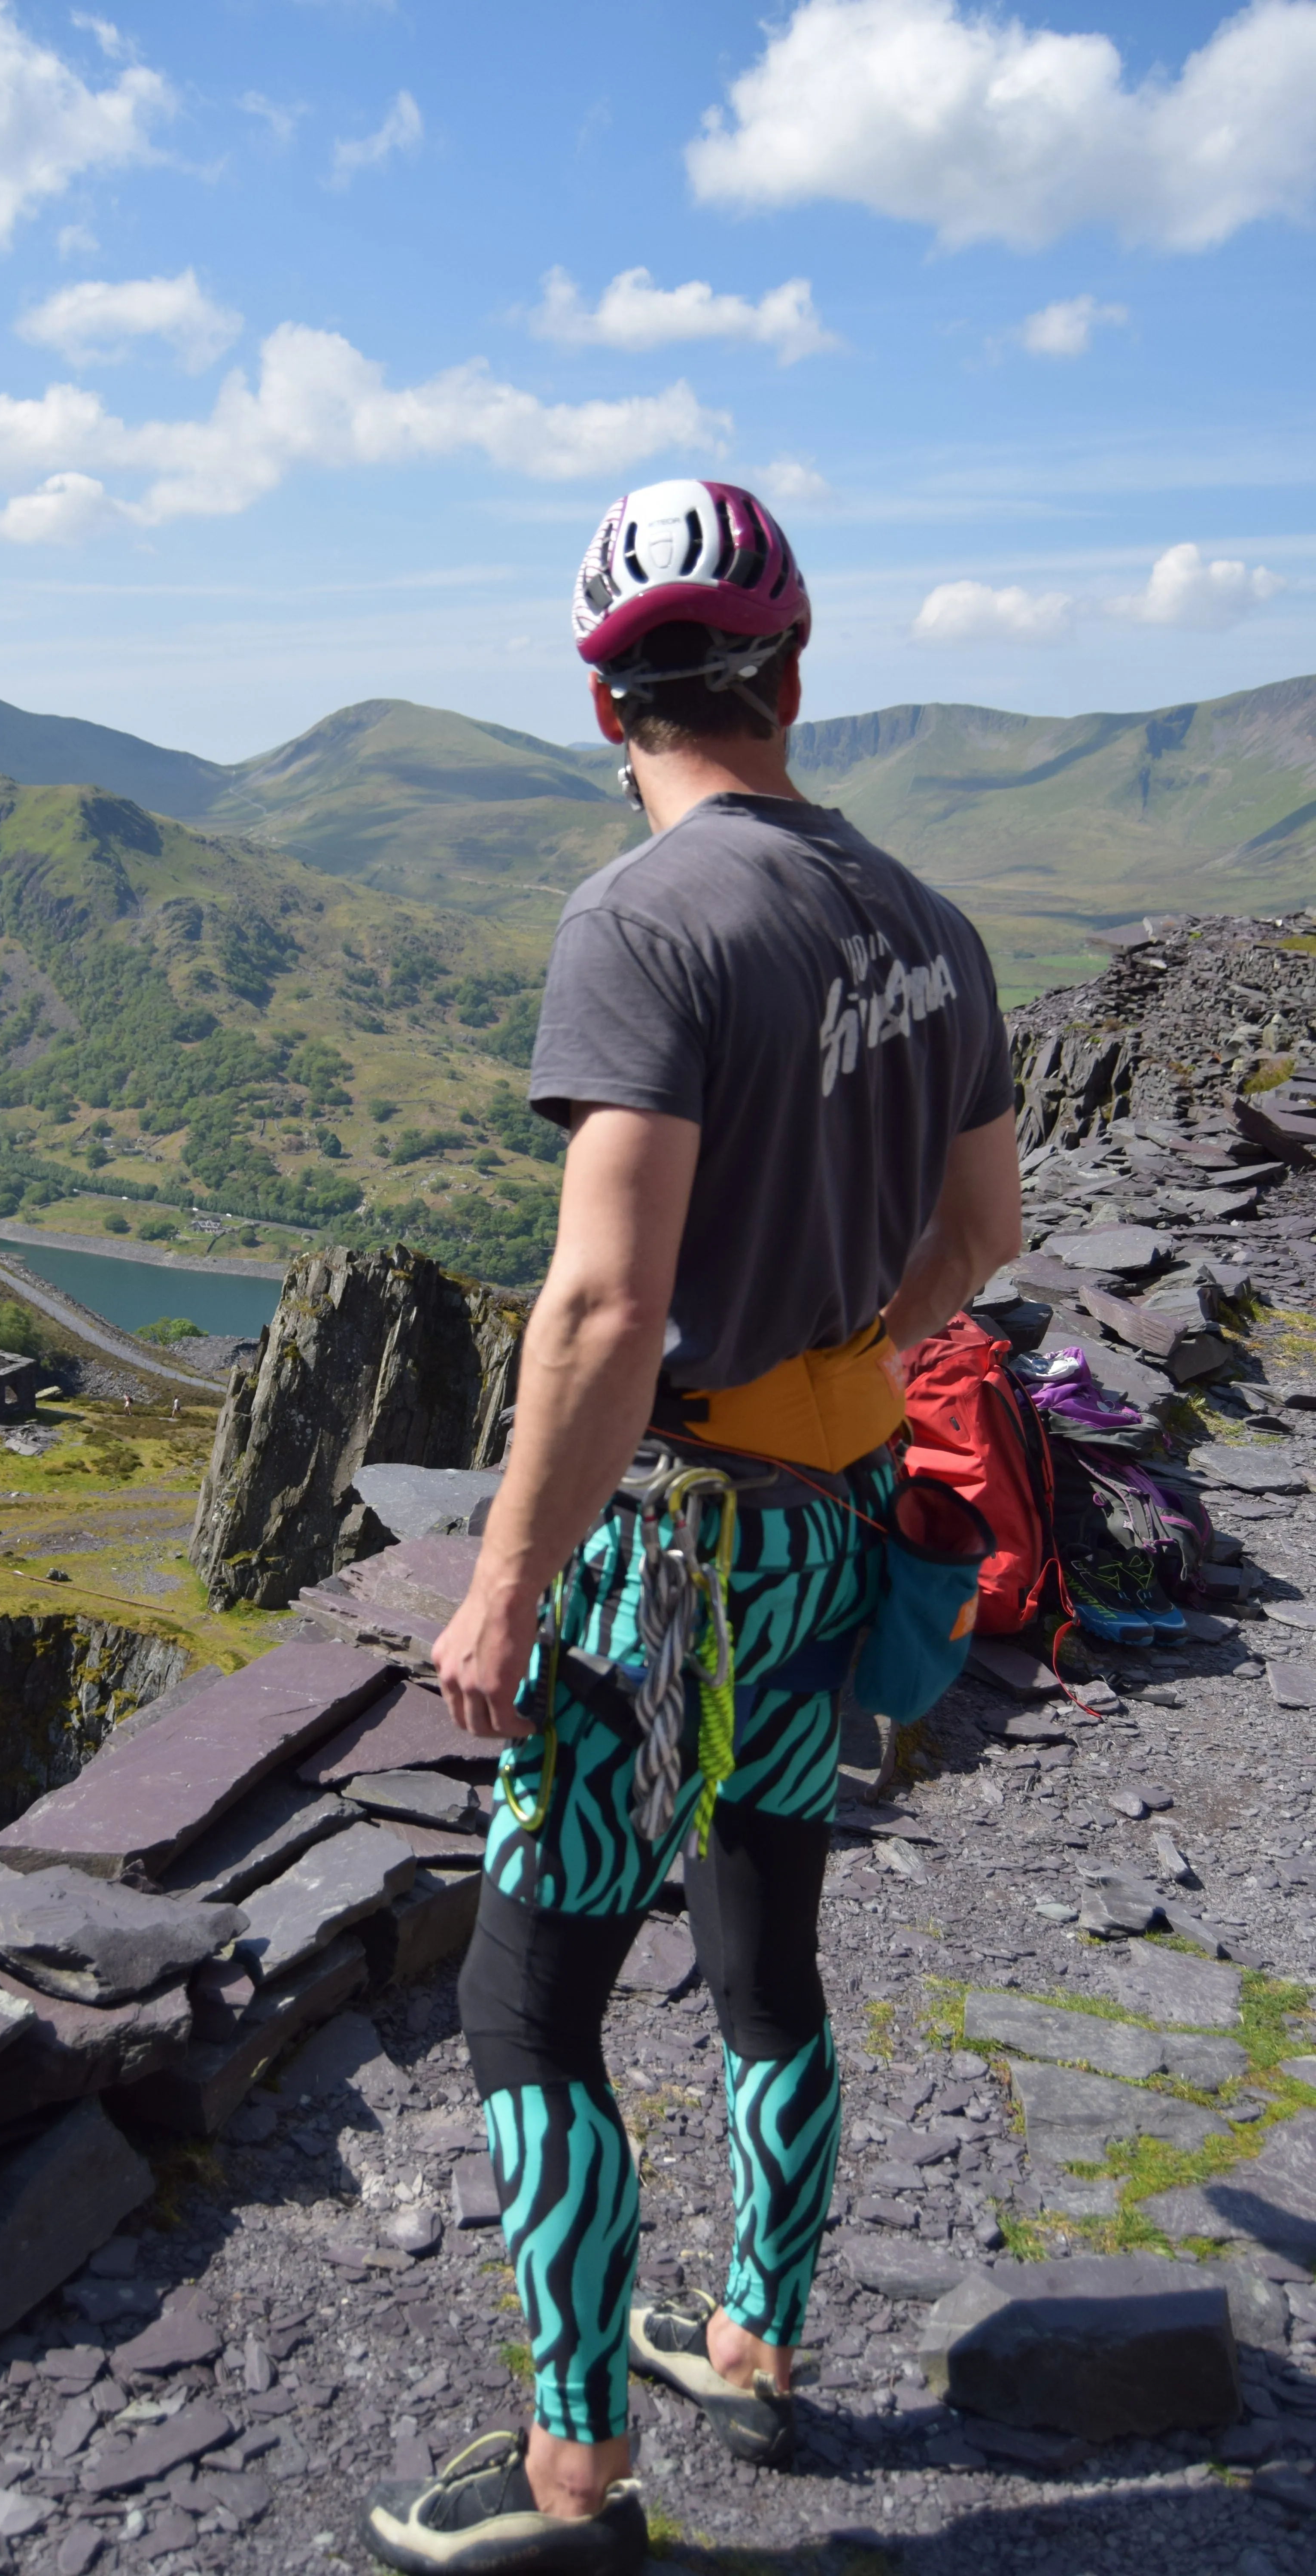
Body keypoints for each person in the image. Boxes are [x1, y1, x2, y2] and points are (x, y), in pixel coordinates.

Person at [360, 479, 1021, 2576]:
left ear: (604, 702)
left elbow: (600, 1306)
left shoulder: (642, 923)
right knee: (764, 1955)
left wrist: (503, 1582)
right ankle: (749, 2340)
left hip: (661, 1561)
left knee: (528, 2008)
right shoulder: (931, 922)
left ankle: (572, 2480)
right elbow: (985, 1233)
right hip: (828, 1527)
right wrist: (837, 1345)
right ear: (796, 675)